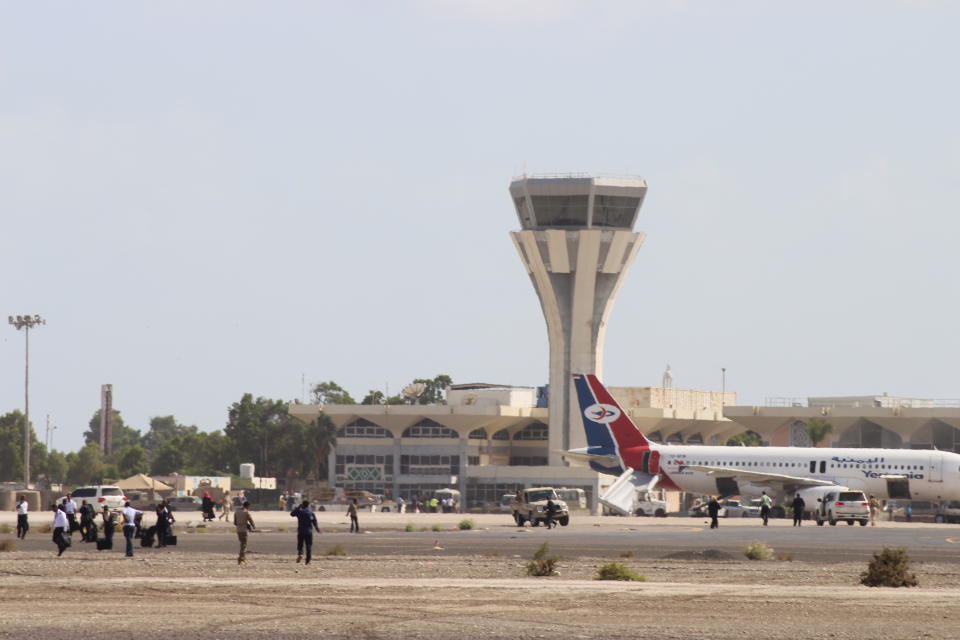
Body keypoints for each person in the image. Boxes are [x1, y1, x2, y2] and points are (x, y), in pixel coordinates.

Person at [290, 500, 321, 564]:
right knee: (308, 546)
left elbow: (292, 514)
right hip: (308, 532)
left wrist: (298, 507)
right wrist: (317, 529)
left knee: (300, 544)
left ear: (302, 505)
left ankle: (300, 554)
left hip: (301, 531)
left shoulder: (300, 512)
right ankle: (307, 561)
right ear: (308, 505)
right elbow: (314, 522)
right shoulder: (310, 512)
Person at [233, 501, 255, 565]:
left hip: (238, 530)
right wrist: (253, 527)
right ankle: (241, 559)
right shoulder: (246, 512)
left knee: (242, 544)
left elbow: (235, 523)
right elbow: (251, 521)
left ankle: (242, 559)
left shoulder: (236, 512)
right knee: (243, 545)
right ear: (247, 506)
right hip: (244, 530)